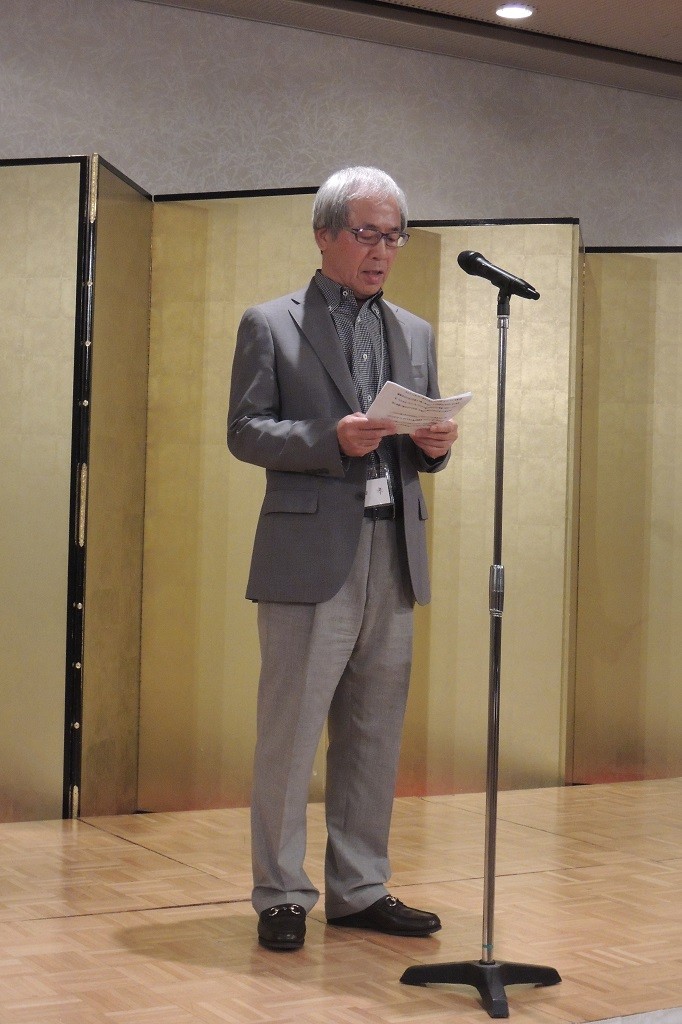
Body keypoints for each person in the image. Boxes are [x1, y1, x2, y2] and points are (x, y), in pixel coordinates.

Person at [227, 166, 458, 951]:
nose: (382, 251)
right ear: (325, 234)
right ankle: (281, 893)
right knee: (290, 734)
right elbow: (245, 430)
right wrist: (330, 438)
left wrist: (434, 445)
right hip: (308, 555)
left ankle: (359, 889)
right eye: (367, 234)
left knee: (373, 731)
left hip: (393, 551)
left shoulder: (415, 332)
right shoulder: (271, 324)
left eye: (394, 236)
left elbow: (420, 442)